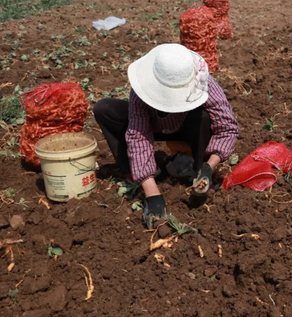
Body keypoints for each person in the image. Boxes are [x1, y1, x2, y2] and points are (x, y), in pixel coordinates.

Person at [94, 43, 239, 228]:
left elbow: (227, 127)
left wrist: (209, 166)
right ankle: (136, 172)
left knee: (203, 116)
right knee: (104, 109)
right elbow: (138, 136)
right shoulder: (142, 87)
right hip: (154, 126)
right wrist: (152, 194)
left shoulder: (203, 81)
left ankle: (198, 170)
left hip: (187, 128)